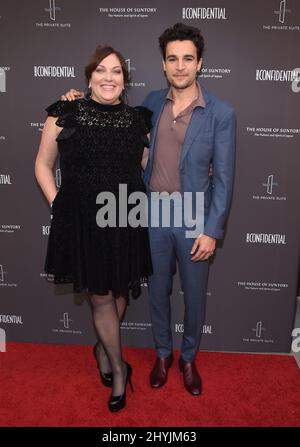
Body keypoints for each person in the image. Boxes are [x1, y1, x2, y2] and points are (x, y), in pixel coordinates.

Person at [62, 22, 236, 396]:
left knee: (193, 294)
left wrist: (211, 230)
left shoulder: (221, 113)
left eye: (187, 58)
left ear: (200, 63)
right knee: (157, 292)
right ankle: (162, 355)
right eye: (172, 58)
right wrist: (76, 101)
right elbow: (111, 122)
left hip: (192, 215)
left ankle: (188, 358)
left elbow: (224, 178)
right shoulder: (152, 104)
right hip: (151, 211)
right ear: (163, 64)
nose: (180, 66)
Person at [35, 45, 153, 412]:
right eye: (101, 70)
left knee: (118, 291)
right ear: (89, 78)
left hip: (123, 217)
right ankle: (119, 370)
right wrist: (59, 204)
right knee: (100, 296)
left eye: (116, 72)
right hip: (84, 220)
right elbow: (42, 164)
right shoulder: (65, 112)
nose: (108, 77)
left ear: (124, 81)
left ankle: (102, 347)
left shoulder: (138, 120)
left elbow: (141, 166)